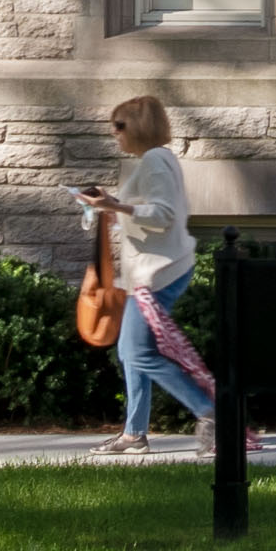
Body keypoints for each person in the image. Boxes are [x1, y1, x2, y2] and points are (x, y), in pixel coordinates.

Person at [81, 90, 214, 447]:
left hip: (159, 273)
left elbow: (163, 215)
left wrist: (117, 207)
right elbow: (147, 212)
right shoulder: (154, 160)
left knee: (137, 352)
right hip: (152, 271)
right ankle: (134, 433)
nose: (115, 133)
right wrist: (112, 208)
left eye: (120, 125)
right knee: (130, 351)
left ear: (139, 126)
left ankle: (209, 412)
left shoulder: (155, 160)